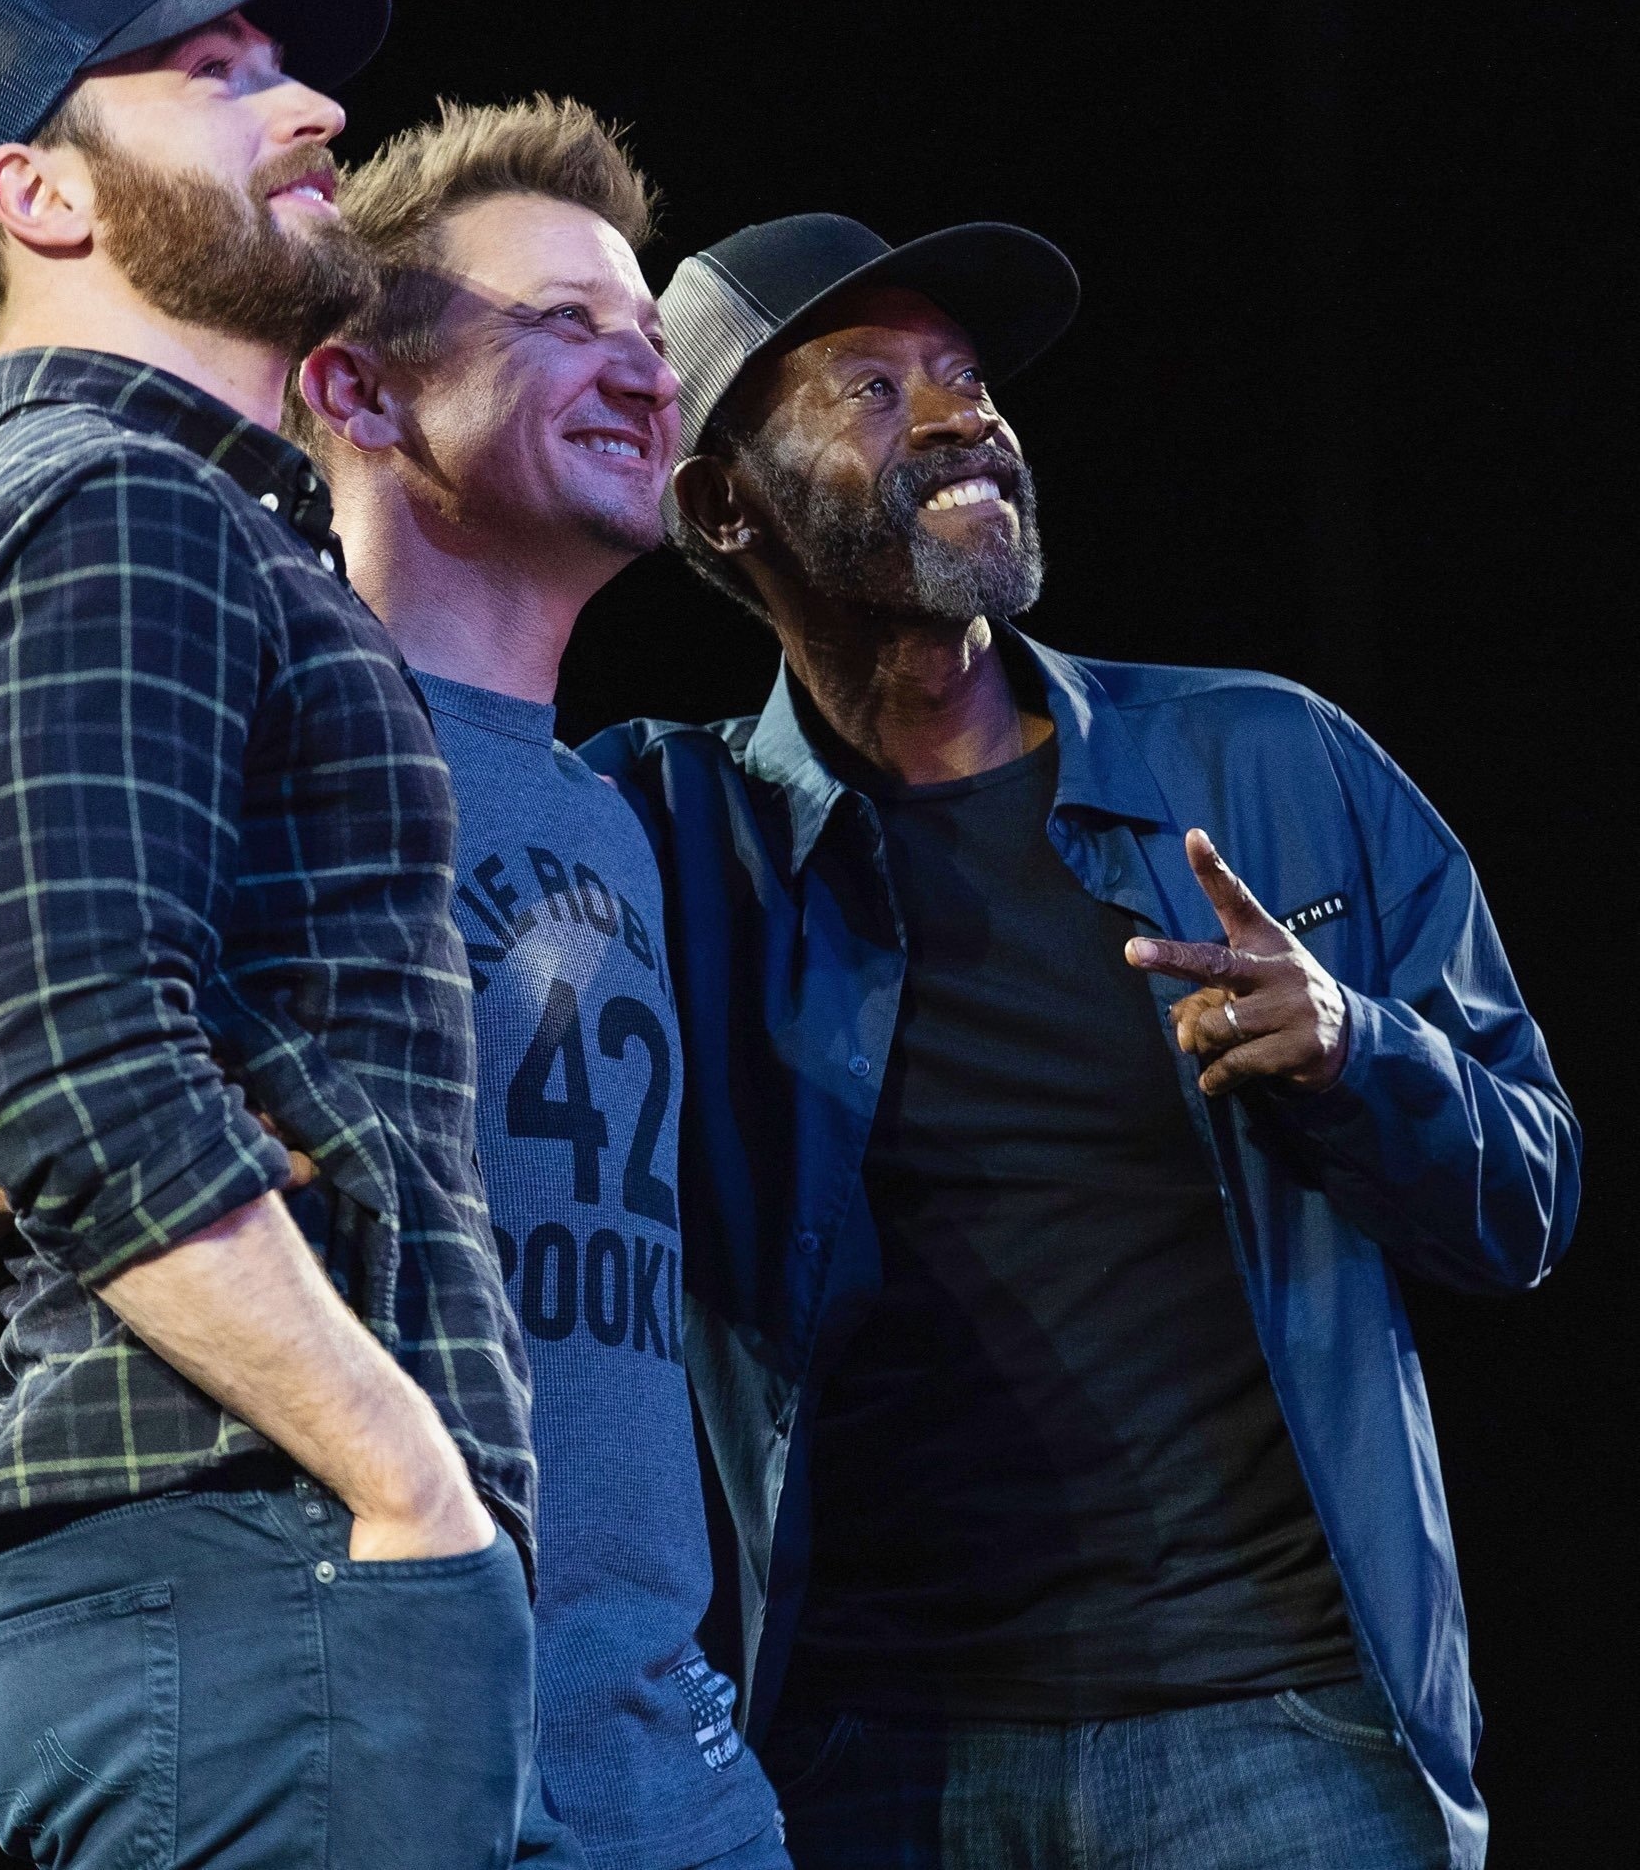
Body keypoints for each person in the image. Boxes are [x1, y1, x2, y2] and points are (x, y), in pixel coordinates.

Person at [0, 100, 791, 1869]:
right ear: (353, 389)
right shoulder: (264, 717)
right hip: (372, 1666)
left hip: (661, 1752)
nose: (645, 371)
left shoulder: (622, 812)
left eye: (648, 335)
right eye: (562, 321)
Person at [582, 213, 1581, 1870]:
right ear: (721, 503)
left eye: (968, 377)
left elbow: (1529, 1201)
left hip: (1276, 1733)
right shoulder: (663, 831)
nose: (961, 417)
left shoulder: (1270, 761)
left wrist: (1358, 1050)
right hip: (865, 1763)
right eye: (873, 387)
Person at [0, 0, 541, 1867]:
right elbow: (72, 1068)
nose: (312, 105)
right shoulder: (115, 505)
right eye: (217, 77)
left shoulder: (148, 517)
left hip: (259, 1568)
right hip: (262, 1555)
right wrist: (412, 1490)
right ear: (41, 195)